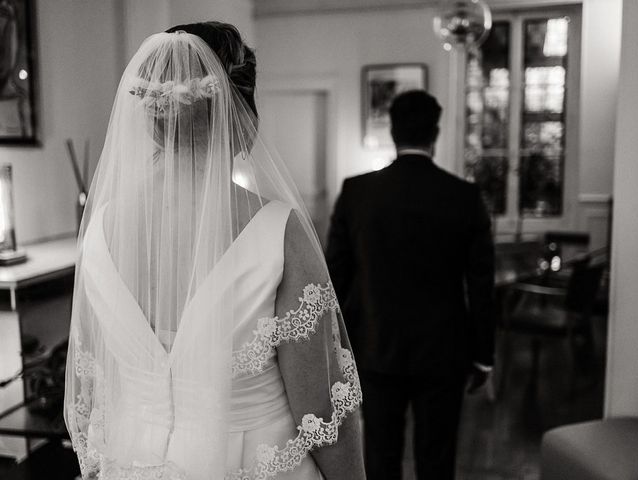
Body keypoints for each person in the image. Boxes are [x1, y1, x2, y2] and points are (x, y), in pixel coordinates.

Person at [64, 22, 365, 480]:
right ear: (243, 116)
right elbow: (321, 412)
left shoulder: (100, 231)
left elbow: (94, 387)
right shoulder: (278, 233)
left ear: (151, 117)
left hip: (133, 461)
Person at [326, 90, 495, 480]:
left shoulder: (357, 192)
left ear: (393, 131)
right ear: (435, 134)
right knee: (437, 458)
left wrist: (336, 345)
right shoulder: (464, 197)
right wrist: (483, 355)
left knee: (380, 455)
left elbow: (335, 276)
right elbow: (481, 284)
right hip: (444, 351)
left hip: (375, 346)